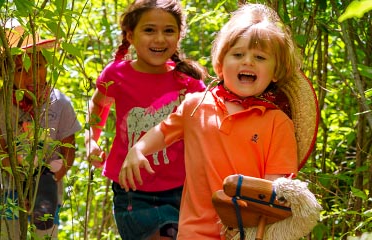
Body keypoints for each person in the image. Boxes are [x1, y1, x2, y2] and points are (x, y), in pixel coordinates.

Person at [119, 3, 319, 240]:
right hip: (194, 232)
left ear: (275, 72)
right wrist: (138, 149)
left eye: (260, 57)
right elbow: (163, 132)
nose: (248, 62)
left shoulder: (277, 122)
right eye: (238, 54)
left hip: (247, 233)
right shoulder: (195, 106)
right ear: (221, 65)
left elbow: (275, 187)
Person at [84, 0, 207, 239]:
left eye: (168, 31)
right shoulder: (117, 74)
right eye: (149, 30)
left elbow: (208, 123)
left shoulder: (188, 83)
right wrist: (91, 139)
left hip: (181, 188)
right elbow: (99, 104)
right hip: (132, 189)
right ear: (130, 35)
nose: (160, 39)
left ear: (179, 35)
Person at [0, 21, 82, 239]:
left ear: (47, 65)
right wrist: (23, 184)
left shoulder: (60, 102)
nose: (31, 74)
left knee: (44, 234)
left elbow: (68, 151)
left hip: (47, 189)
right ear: (5, 72)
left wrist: (43, 181)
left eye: (37, 64)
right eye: (20, 69)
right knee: (8, 235)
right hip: (7, 189)